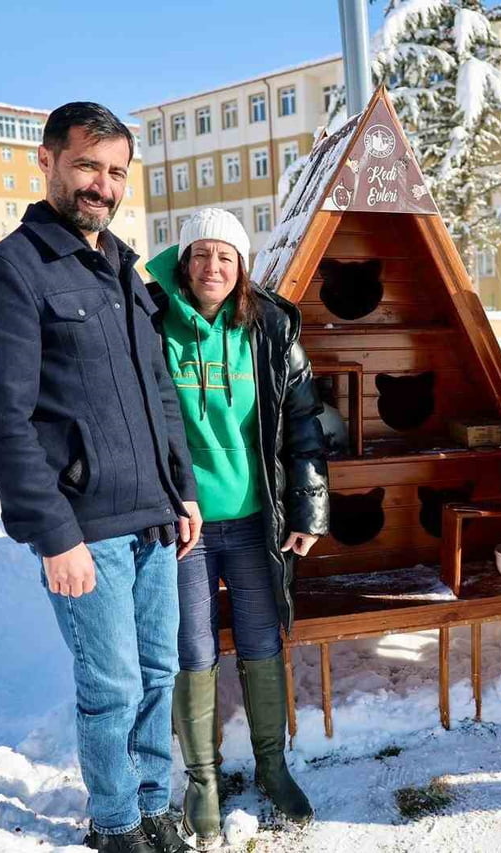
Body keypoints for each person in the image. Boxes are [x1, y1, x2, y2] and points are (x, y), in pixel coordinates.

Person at [0, 102, 200, 853]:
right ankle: (117, 819)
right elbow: (1, 423)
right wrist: (53, 533)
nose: (102, 184)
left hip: (155, 519)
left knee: (160, 674)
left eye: (116, 171)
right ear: (49, 161)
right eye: (88, 165)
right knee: (112, 686)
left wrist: (182, 486)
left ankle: (157, 802)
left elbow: (160, 392)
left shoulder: (125, 269)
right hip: (86, 529)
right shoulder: (7, 273)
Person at [145, 208, 328, 848]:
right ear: (184, 260)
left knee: (259, 640)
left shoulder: (271, 327)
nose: (212, 267)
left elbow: (302, 421)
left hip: (257, 521)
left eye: (226, 256)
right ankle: (202, 779)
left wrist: (308, 509)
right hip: (184, 526)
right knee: (192, 651)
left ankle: (273, 766)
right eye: (200, 255)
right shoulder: (151, 320)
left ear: (243, 265)